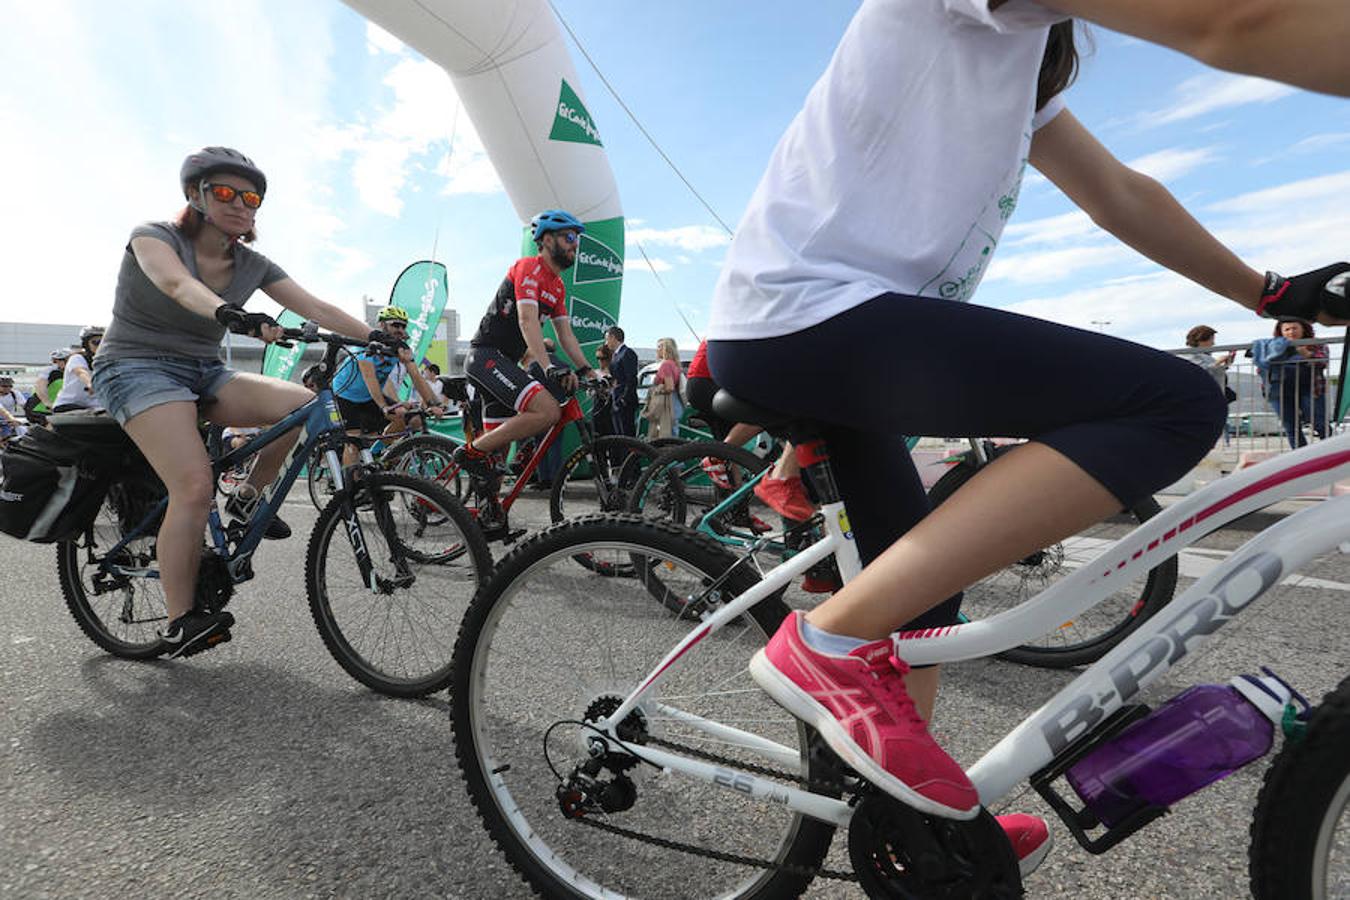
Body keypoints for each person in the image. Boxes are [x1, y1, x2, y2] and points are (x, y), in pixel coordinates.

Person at [704, 0, 1350, 871]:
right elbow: (1234, 21)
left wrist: (1268, 294)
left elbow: (1119, 193)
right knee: (1171, 404)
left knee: (919, 602)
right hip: (808, 314)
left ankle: (907, 833)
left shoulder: (1017, 73)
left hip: (843, 327)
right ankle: (828, 645)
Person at [91, 146, 391, 658]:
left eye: (250, 197)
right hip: (135, 367)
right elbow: (175, 283)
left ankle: (248, 498)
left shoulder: (252, 262)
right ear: (196, 194)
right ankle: (180, 619)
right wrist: (232, 313)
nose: (241, 205)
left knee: (304, 406)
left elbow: (315, 305)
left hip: (204, 371)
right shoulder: (155, 237)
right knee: (192, 485)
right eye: (226, 193)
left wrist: (381, 337)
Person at [454, 210, 594, 481]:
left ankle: (489, 518)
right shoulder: (528, 267)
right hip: (485, 357)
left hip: (503, 363)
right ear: (546, 240)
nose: (575, 243)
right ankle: (469, 452)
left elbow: (566, 336)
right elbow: (527, 320)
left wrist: (588, 370)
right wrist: (548, 367)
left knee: (496, 458)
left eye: (576, 238)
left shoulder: (557, 286)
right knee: (548, 411)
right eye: (568, 236)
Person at [329, 305, 444, 462]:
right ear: (382, 325)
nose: (400, 329)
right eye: (395, 325)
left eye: (403, 326)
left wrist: (433, 403)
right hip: (345, 396)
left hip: (369, 397)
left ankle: (378, 453)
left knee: (412, 418)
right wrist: (384, 406)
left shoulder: (400, 349)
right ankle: (351, 484)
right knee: (354, 443)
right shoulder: (364, 345)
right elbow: (370, 378)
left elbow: (416, 376)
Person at [1252, 318, 1329, 449]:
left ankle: (1331, 453)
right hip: (1279, 391)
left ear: (1303, 328)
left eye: (1294, 328)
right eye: (1287, 329)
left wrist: (1308, 355)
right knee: (1291, 427)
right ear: (1280, 331)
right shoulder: (1272, 347)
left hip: (1310, 389)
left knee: (1319, 423)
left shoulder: (1316, 343)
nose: (1291, 332)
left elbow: (1323, 362)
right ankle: (1302, 459)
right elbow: (1261, 368)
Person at [51, 327, 104, 413]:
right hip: (68, 405)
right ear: (86, 344)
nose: (100, 346)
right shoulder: (77, 358)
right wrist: (90, 384)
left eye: (104, 342)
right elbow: (81, 372)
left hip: (94, 407)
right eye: (96, 342)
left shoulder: (106, 363)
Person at [643, 337, 682, 440]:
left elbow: (669, 387)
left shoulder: (666, 365)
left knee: (664, 435)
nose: (657, 350)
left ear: (666, 349)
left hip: (666, 405)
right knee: (673, 434)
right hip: (674, 404)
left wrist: (657, 390)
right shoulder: (675, 365)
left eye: (659, 347)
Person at [605, 325, 639, 438]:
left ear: (613, 337)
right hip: (616, 400)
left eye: (607, 339)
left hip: (624, 403)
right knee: (619, 436)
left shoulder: (627, 353)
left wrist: (624, 399)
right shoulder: (615, 355)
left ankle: (630, 456)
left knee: (627, 436)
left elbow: (632, 379)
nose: (606, 343)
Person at [0, 376, 27, 443]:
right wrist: (12, 419)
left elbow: (25, 407)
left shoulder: (15, 394)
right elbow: (2, 411)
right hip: (7, 417)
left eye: (10, 386)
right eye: (4, 386)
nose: (8, 388)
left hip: (8, 420)